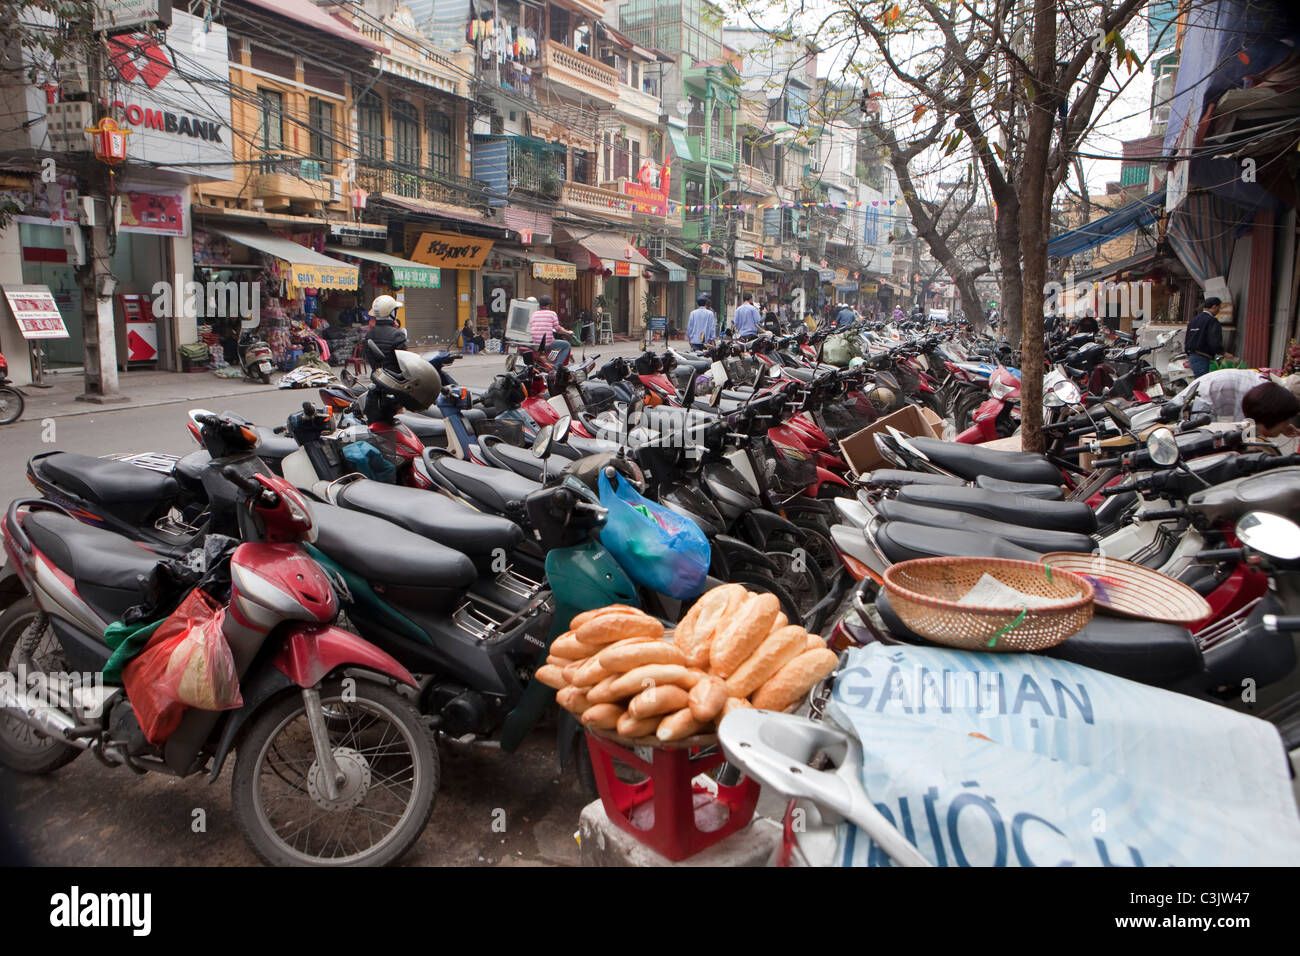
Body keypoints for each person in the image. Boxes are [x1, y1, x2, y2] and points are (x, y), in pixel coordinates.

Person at [1171, 369, 1300, 435]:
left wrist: (1281, 427)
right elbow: (1244, 430)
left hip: (1200, 397)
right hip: (1198, 404)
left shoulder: (1264, 386)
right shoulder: (1256, 393)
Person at [363, 294, 407, 373]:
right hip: (395, 380)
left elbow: (369, 359)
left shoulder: (369, 334)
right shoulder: (398, 334)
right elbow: (404, 362)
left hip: (377, 378)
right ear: (392, 313)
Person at [1185, 296, 1227, 378]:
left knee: (1199, 381)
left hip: (1192, 357)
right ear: (1214, 307)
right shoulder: (1212, 321)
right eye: (1219, 308)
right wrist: (1222, 352)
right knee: (1203, 383)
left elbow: (1187, 339)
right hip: (1203, 357)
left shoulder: (1193, 320)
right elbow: (1214, 340)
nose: (1219, 311)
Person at [528, 294, 572, 365]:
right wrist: (567, 332)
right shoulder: (552, 313)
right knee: (566, 345)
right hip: (546, 344)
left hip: (535, 344)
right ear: (548, 305)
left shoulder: (534, 314)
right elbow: (558, 329)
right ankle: (557, 367)